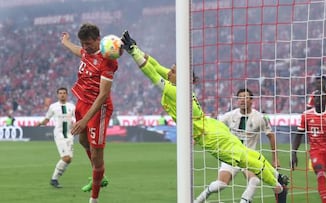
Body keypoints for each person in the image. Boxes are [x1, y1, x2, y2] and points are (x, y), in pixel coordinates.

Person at [120, 30, 289, 201]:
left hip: (208, 135)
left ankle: (278, 188)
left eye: (172, 71)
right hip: (212, 125)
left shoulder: (174, 91)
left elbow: (151, 73)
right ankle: (278, 176)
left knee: (247, 161)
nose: (168, 72)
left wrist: (133, 52)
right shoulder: (180, 85)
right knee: (250, 155)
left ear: (181, 77)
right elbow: (155, 66)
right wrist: (135, 47)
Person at [195, 88, 286, 203]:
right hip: (230, 155)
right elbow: (215, 126)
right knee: (221, 185)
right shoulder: (229, 115)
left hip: (248, 157)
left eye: (245, 97)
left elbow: (271, 136)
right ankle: (198, 200)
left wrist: (275, 158)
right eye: (240, 98)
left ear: (251, 100)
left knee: (255, 180)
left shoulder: (260, 117)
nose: (242, 100)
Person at [61, 23, 118, 203]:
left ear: (98, 39)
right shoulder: (86, 51)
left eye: (89, 43)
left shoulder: (107, 60)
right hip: (82, 103)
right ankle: (100, 175)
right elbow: (78, 50)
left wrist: (85, 120)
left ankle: (94, 199)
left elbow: (102, 96)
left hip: (98, 109)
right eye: (83, 43)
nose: (86, 47)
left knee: (96, 154)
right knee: (83, 140)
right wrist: (66, 42)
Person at [37, 87, 76, 188]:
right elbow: (47, 119)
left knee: (69, 159)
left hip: (69, 135)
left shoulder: (72, 106)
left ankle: (55, 179)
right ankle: (54, 179)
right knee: (66, 158)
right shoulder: (53, 107)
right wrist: (40, 123)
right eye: (60, 93)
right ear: (57, 95)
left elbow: (76, 119)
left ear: (67, 95)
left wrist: (75, 124)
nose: (62, 95)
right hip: (59, 135)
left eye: (64, 93)